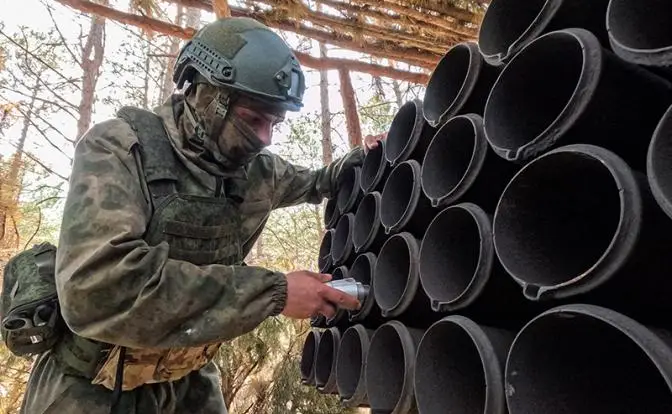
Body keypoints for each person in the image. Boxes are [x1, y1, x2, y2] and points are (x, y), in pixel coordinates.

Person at [19, 17, 382, 414]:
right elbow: (98, 288)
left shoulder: (256, 171)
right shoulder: (120, 148)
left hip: (189, 381)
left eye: (275, 122)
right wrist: (274, 292)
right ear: (206, 95)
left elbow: (321, 182)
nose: (265, 138)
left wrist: (371, 154)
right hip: (95, 386)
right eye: (253, 119)